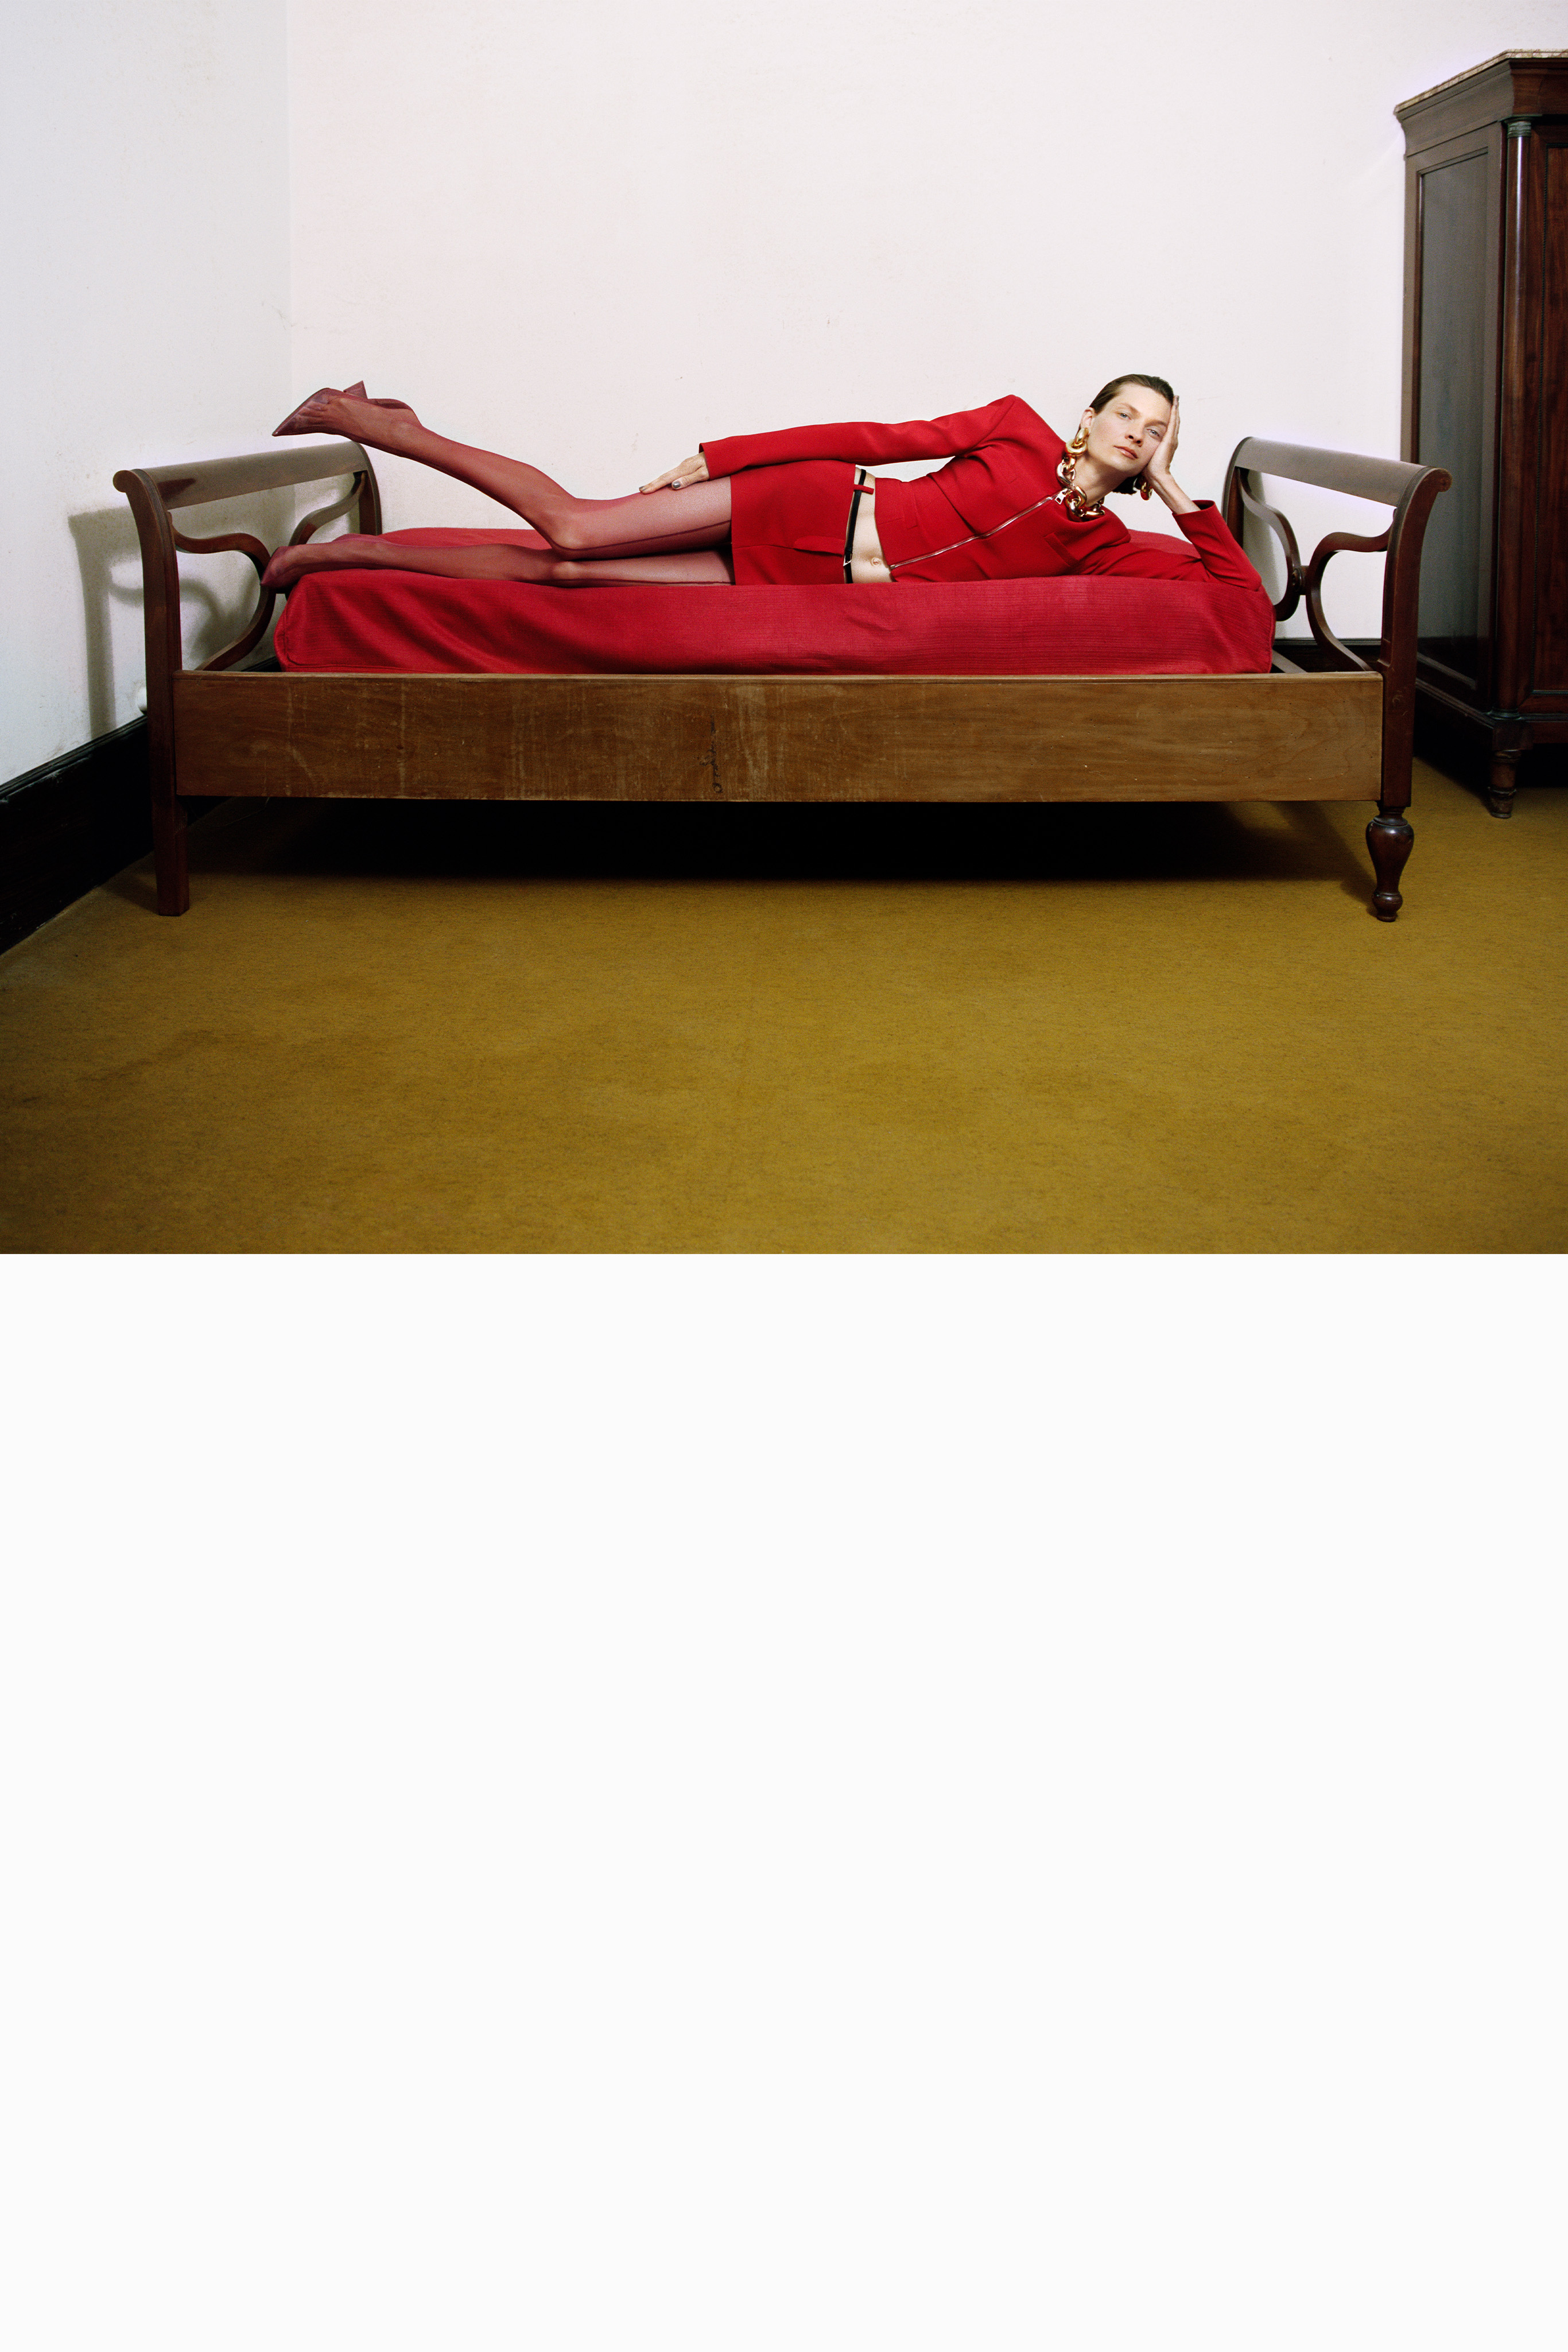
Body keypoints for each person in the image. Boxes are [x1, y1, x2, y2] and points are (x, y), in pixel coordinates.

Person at [262, 376, 1260, 596]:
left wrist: (1176, 486)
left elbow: (1235, 590)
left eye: (1158, 431)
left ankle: (352, 555)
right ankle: (385, 425)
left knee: (570, 576)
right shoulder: (1014, 427)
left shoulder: (1103, 544)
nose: (1139, 433)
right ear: (1090, 417)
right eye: (1129, 414)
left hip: (810, 577)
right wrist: (727, 454)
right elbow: (875, 437)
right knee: (574, 528)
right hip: (810, 500)